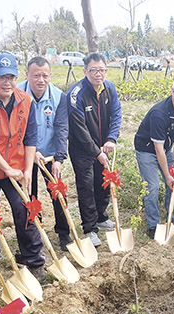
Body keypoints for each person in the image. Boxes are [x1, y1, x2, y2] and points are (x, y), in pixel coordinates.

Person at [0, 52, 47, 281]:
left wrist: (27, 170)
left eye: (11, 77)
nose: (6, 82)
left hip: (16, 167)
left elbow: (31, 137)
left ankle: (33, 258)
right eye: (1, 77)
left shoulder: (25, 100)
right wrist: (5, 168)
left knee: (25, 209)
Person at [66, 52, 122, 247]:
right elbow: (79, 129)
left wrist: (111, 139)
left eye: (102, 70)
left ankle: (101, 216)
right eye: (93, 70)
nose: (98, 74)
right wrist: (95, 152)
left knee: (103, 183)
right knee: (86, 186)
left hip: (103, 146)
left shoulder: (110, 89)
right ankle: (90, 228)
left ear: (106, 70)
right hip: (82, 149)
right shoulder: (76, 94)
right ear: (85, 71)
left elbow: (116, 115)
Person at [17, 56, 73, 250]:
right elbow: (17, 128)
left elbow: (61, 128)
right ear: (27, 75)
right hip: (24, 154)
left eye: (45, 75)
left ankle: (64, 233)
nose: (41, 80)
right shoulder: (17, 94)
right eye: (36, 75)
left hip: (49, 153)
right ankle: (35, 231)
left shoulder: (59, 96)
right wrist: (31, 152)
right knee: (29, 195)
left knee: (58, 192)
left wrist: (59, 158)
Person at [134, 74, 174, 239]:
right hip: (147, 149)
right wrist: (166, 175)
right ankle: (153, 225)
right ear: (173, 91)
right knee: (153, 186)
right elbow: (158, 149)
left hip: (165, 146)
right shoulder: (159, 114)